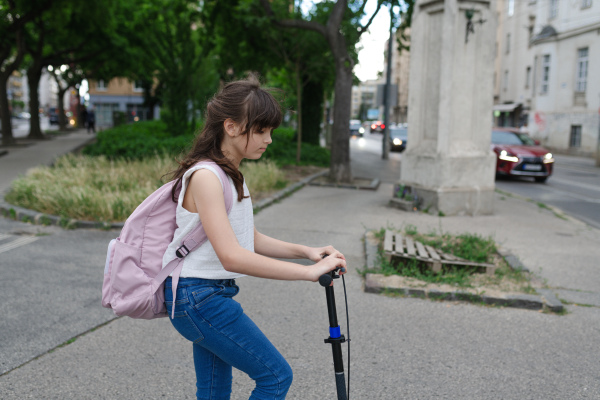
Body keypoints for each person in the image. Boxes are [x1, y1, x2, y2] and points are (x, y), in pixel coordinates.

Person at [162, 77, 347, 400]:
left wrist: (307, 252)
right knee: (275, 377)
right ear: (231, 127)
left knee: (214, 390)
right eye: (261, 131)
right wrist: (306, 273)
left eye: (271, 131)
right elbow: (232, 256)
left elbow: (251, 237)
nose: (269, 140)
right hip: (199, 298)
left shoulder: (230, 174)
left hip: (204, 296)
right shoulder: (207, 177)